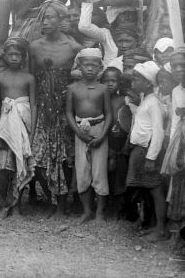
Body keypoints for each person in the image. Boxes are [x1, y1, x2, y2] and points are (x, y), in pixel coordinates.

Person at [29, 0, 82, 217]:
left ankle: (62, 205)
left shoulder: (73, 47)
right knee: (37, 157)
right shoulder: (34, 47)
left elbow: (79, 80)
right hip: (42, 108)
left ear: (61, 20)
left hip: (64, 110)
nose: (46, 22)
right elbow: (31, 78)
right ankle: (51, 198)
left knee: (63, 158)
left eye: (50, 17)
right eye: (43, 17)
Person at [65, 48, 112, 223]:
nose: (90, 69)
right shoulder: (72, 88)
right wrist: (79, 133)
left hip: (99, 130)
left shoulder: (103, 89)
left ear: (100, 67)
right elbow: (69, 113)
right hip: (80, 132)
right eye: (86, 64)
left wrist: (102, 136)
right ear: (79, 65)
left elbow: (109, 114)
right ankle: (87, 211)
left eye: (94, 65)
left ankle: (100, 212)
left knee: (99, 172)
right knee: (82, 170)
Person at [0, 38, 36, 216]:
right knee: (3, 166)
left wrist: (32, 131)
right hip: (5, 122)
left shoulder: (29, 78)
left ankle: (17, 203)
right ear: (5, 56)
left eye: (18, 54)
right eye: (10, 54)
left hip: (23, 122)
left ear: (23, 57)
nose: (14, 57)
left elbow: (33, 104)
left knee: (20, 163)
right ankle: (3, 201)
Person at [127, 61, 167, 242]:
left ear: (149, 83)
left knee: (156, 191)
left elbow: (158, 132)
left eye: (137, 79)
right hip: (141, 150)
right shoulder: (146, 100)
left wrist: (151, 158)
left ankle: (161, 229)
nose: (133, 82)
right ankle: (152, 225)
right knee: (146, 190)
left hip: (149, 151)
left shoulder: (154, 104)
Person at [163, 47, 185, 251]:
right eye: (175, 66)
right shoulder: (176, 91)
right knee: (177, 189)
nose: (179, 69)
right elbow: (174, 122)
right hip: (180, 146)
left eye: (183, 65)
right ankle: (176, 235)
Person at [102, 66, 129, 216]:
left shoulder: (123, 100)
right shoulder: (99, 98)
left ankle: (119, 205)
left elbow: (127, 121)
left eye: (113, 81)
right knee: (106, 170)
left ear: (119, 83)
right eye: (106, 81)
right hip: (104, 139)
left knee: (119, 171)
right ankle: (105, 202)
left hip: (119, 141)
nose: (110, 84)